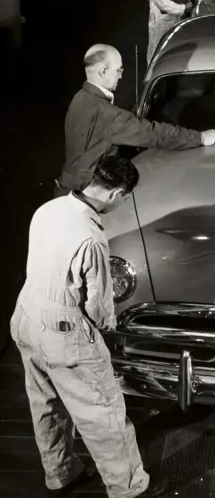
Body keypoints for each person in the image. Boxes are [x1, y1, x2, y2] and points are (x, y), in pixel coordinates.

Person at [11, 155, 168, 497]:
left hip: (25, 316)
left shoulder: (50, 208)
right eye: (125, 197)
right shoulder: (91, 236)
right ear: (116, 194)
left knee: (46, 403)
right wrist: (107, 335)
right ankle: (128, 488)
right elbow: (98, 305)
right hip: (64, 333)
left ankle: (61, 474)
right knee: (103, 413)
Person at [55, 44, 215, 196]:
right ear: (103, 71)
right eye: (118, 70)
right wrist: (199, 137)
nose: (121, 76)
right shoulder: (106, 113)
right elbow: (152, 133)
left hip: (67, 187)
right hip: (86, 194)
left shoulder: (81, 97)